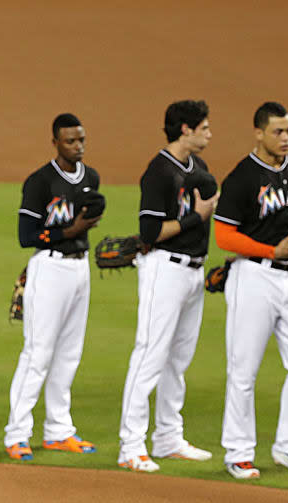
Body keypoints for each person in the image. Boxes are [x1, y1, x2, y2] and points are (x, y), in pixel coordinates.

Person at [117, 100, 218, 472]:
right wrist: (196, 217)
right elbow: (150, 232)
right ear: (185, 130)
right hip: (165, 269)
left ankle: (168, 438)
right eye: (204, 126)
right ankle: (130, 446)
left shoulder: (199, 168)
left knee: (178, 361)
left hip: (193, 272)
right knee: (150, 355)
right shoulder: (159, 172)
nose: (209, 132)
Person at [214, 101, 288, 479]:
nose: (285, 138)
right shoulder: (242, 178)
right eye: (277, 132)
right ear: (258, 133)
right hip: (255, 278)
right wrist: (272, 249)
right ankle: (238, 452)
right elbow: (223, 236)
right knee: (243, 370)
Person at [4, 114, 102, 460]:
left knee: (69, 353)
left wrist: (85, 227)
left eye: (81, 140)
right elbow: (25, 236)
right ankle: (17, 433)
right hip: (48, 267)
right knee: (38, 353)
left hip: (80, 269)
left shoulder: (91, 177)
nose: (78, 147)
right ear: (55, 143)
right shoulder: (39, 182)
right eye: (70, 141)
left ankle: (59, 431)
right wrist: (68, 231)